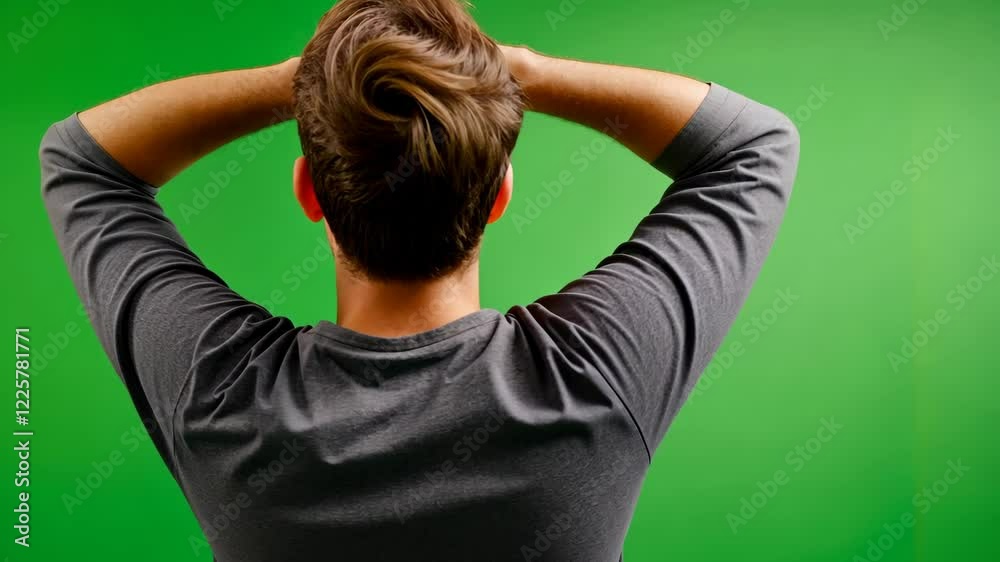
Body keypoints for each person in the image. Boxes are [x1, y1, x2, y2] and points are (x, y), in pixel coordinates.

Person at [40, 0, 799, 560]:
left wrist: (306, 84)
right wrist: (516, 71)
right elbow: (754, 146)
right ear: (500, 195)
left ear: (309, 192)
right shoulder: (591, 378)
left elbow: (82, 161)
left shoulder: (224, 399)